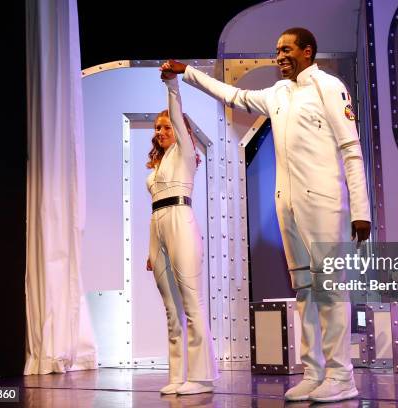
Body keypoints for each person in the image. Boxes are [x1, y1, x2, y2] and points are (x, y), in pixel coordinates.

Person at [162, 27, 371, 403]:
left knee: (329, 288)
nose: (280, 56)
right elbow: (235, 95)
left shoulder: (327, 86)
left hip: (323, 202)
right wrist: (187, 73)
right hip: (288, 204)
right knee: (305, 290)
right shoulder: (278, 93)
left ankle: (342, 376)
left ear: (308, 52)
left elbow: (351, 149)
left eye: (287, 49)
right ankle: (314, 372)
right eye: (277, 51)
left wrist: (361, 210)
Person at [145, 69, 219, 395]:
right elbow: (155, 213)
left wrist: (171, 85)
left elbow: (176, 114)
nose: (161, 131)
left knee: (191, 301)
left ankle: (201, 377)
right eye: (157, 128)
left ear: (179, 130)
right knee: (171, 308)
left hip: (181, 222)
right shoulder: (158, 165)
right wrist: (151, 251)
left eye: (166, 126)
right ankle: (177, 374)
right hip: (158, 226)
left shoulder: (185, 153)